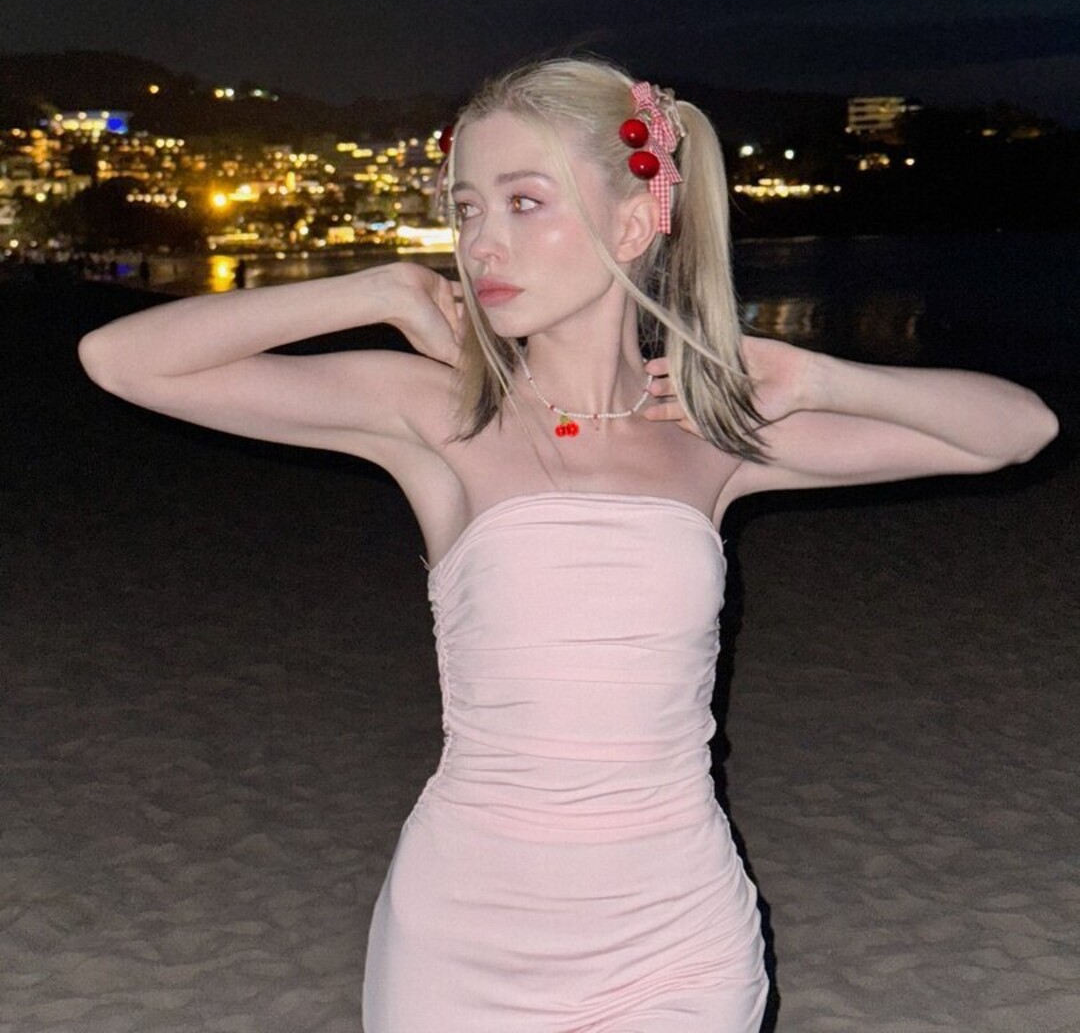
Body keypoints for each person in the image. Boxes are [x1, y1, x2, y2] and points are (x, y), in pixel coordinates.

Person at [76, 55, 1059, 1032]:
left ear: (631, 225)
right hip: (466, 938)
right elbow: (121, 360)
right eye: (467, 209)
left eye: (524, 202)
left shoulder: (710, 434)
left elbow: (1016, 432)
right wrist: (377, 290)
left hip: (677, 938)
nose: (482, 243)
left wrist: (822, 379)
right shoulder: (440, 414)